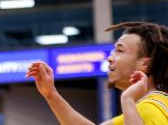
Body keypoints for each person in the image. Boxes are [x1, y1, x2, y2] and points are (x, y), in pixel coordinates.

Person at [27, 21, 168, 125]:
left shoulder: (148, 110)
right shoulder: (148, 107)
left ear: (145, 64)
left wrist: (127, 100)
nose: (110, 57)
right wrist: (51, 94)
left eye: (120, 50)